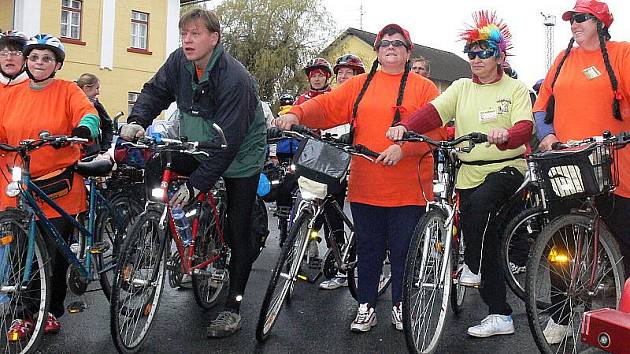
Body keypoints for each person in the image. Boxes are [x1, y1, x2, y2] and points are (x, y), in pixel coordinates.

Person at [276, 23, 443, 332]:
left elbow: (437, 130)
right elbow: (326, 106)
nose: (391, 47)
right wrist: (296, 114)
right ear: (377, 52)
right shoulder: (360, 85)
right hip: (367, 184)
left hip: (409, 187)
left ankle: (400, 305)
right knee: (369, 248)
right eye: (384, 43)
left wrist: (403, 149)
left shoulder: (425, 88)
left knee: (403, 250)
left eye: (398, 43)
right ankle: (366, 305)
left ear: (408, 52)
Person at [119, 8, 266, 338]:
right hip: (198, 142)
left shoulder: (235, 80)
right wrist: (137, 120)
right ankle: (155, 226)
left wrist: (197, 185)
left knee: (236, 230)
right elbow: (156, 90)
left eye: (195, 33)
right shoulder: (178, 63)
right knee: (158, 162)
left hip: (240, 152)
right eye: (184, 33)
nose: (187, 39)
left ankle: (232, 307)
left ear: (213, 38)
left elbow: (226, 146)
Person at [388, 11, 533, 338]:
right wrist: (405, 127)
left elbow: (526, 128)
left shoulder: (515, 89)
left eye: (483, 52)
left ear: (498, 55)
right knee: (488, 240)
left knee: (480, 210)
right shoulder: (462, 87)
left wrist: (506, 135)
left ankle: (472, 265)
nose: (476, 58)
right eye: (471, 52)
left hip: (505, 170)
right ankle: (500, 314)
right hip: (467, 173)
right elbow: (434, 112)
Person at [533, 0, 630, 344]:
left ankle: (624, 317)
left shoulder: (621, 54)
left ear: (601, 22)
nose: (574, 23)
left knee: (624, 241)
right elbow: (541, 106)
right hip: (568, 166)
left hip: (615, 166)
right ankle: (560, 314)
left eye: (582, 18)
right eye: (571, 18)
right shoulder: (561, 60)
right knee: (562, 246)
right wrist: (546, 135)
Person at [0, 33, 100, 338]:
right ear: (27, 62)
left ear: (57, 64)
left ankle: (51, 311)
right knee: (19, 251)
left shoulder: (67, 90)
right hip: (21, 182)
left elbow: (89, 114)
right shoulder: (12, 95)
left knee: (54, 253)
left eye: (46, 58)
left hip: (60, 184)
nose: (39, 63)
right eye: (34, 57)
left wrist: (84, 128)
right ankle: (22, 313)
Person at [317, 53, 366, 291]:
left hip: (360, 160)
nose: (343, 76)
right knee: (329, 209)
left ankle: (365, 265)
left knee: (363, 217)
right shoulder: (332, 98)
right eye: (340, 72)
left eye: (349, 72)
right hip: (333, 157)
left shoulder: (365, 98)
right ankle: (338, 260)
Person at [76, 73, 114, 153]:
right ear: (86, 88)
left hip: (92, 153)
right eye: (96, 88)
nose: (98, 92)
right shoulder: (67, 101)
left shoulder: (96, 104)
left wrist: (104, 148)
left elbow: (108, 126)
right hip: (74, 152)